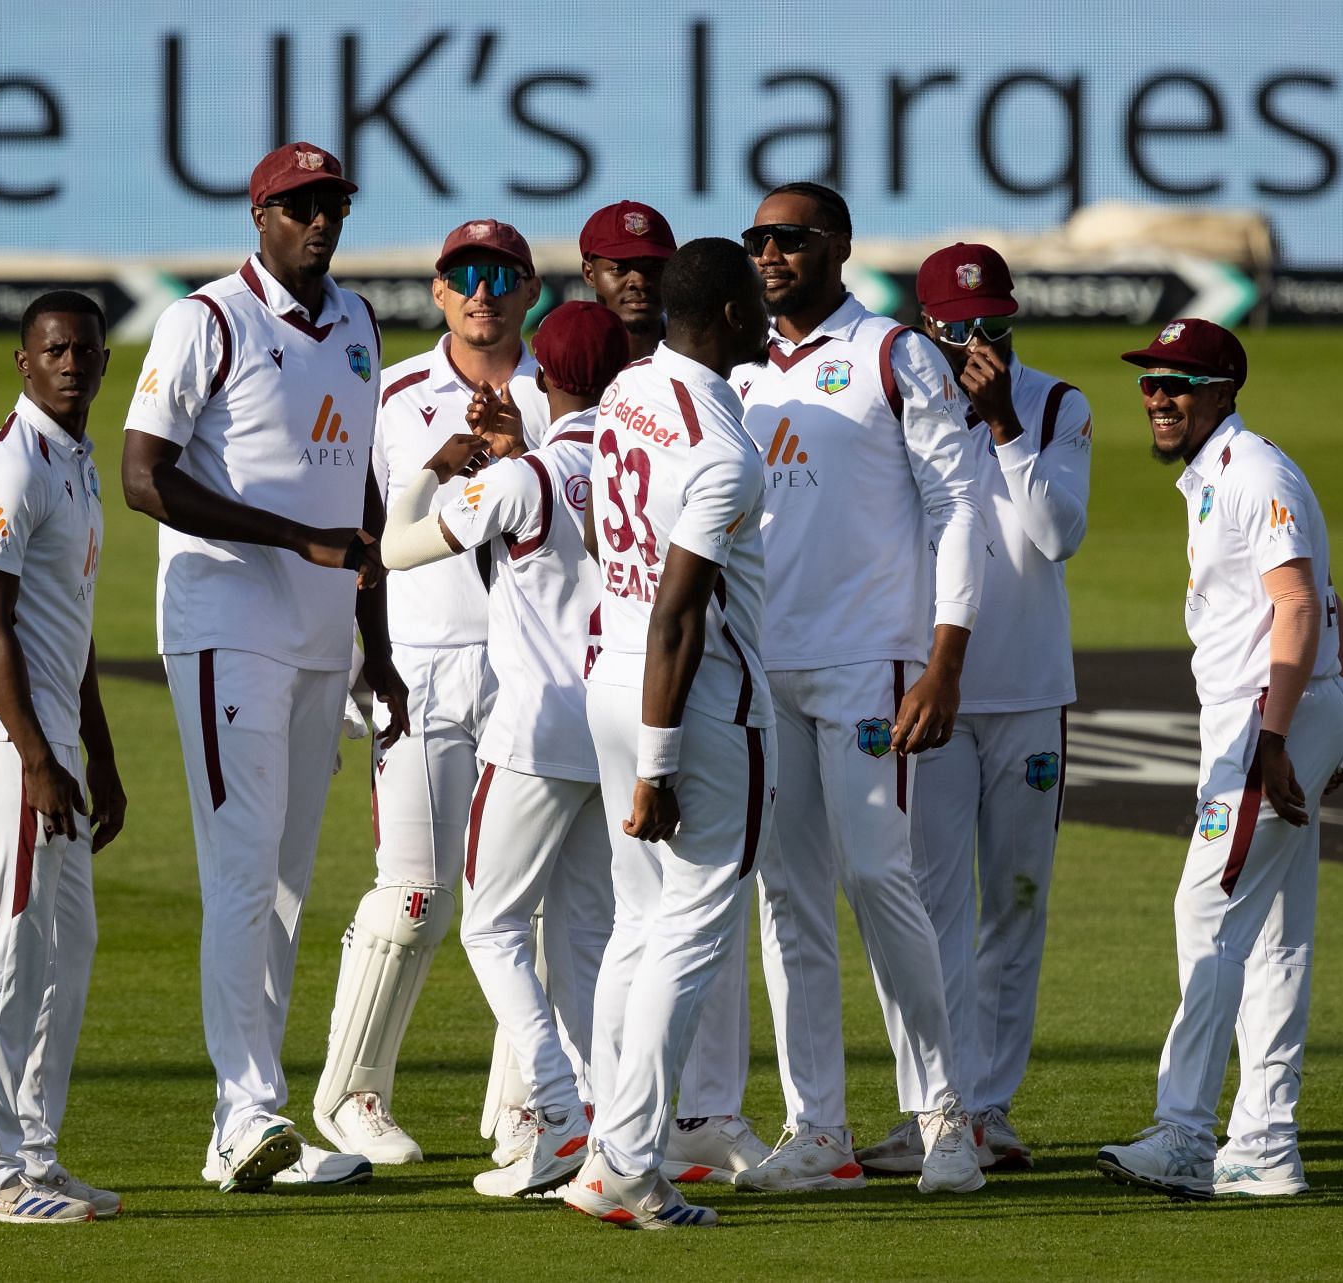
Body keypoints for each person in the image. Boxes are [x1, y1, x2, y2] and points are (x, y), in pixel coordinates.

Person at [120, 142, 407, 1192]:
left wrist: (378, 646)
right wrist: (291, 537)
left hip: (323, 639)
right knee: (242, 874)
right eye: (297, 207)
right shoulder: (206, 320)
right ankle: (244, 1112)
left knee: (287, 884)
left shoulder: (360, 324)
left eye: (331, 204)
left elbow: (364, 499)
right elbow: (143, 478)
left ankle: (254, 1123)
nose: (318, 221)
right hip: (225, 626)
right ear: (258, 214)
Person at [726, 183, 989, 1196]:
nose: (771, 253)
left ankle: (945, 1117)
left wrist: (945, 656)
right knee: (786, 896)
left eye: (790, 238)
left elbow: (959, 501)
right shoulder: (741, 370)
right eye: (759, 239)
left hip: (869, 661)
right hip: (763, 666)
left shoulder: (892, 352)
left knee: (882, 879)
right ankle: (818, 1129)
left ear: (837, 246)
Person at [1097, 319, 1343, 1200]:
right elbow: (1329, 597)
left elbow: (1297, 606)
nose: (1158, 398)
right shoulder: (1223, 474)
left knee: (1207, 915)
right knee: (1276, 937)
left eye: (1179, 383)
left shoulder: (1253, 472)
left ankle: (1182, 1133)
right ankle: (1265, 1144)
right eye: (1150, 382)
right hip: (1278, 712)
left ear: (1224, 391)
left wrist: (1284, 734)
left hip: (1264, 716)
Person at [373, 300, 626, 1197]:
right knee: (589, 932)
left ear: (543, 378)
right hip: (618, 727)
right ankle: (611, 1132)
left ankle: (559, 1110)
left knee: (490, 924)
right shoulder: (638, 465)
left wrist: (440, 467)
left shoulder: (528, 477)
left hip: (534, 730)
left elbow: (399, 548)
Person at [313, 219, 549, 1164]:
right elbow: (355, 528)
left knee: (534, 901)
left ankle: (530, 1100)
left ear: (529, 287)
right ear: (440, 292)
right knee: (413, 893)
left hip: (537, 670)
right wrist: (353, 655)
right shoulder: (395, 390)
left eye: (499, 274)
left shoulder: (566, 392)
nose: (481, 290)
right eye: (462, 275)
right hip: (419, 660)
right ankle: (353, 1096)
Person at [564, 237, 774, 1230]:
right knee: (692, 928)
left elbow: (621, 553)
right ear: (731, 314)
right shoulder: (725, 448)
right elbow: (681, 614)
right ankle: (625, 1161)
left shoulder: (627, 391)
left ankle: (609, 1140)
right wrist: (661, 762)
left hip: (611, 677)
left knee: (640, 924)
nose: (772, 309)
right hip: (694, 701)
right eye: (757, 299)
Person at [891, 243, 1093, 1174]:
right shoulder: (899, 404)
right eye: (960, 327)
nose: (980, 342)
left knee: (1016, 901)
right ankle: (936, 1107)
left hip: (1028, 695)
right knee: (930, 908)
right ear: (927, 327)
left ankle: (990, 1108)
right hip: (929, 692)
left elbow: (1056, 534)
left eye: (996, 325)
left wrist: (1007, 424)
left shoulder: (1057, 404)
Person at [0, 291, 127, 1224]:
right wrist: (40, 759)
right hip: (7, 739)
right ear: (23, 361)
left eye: (84, 350)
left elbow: (71, 627)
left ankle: (33, 1153)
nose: (69, 363)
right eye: (52, 350)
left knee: (66, 946)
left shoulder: (74, 460)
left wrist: (97, 751)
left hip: (50, 739)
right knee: (6, 949)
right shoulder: (13, 464)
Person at [581, 200, 675, 361]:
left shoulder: (706, 359)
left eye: (655, 268)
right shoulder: (565, 363)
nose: (639, 282)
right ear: (589, 274)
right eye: (619, 269)